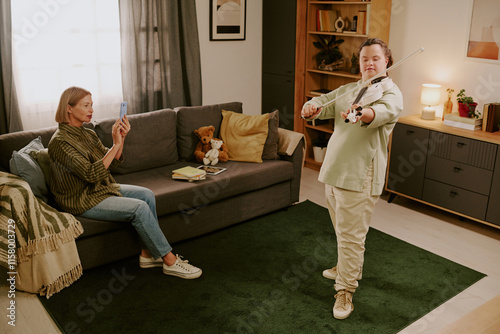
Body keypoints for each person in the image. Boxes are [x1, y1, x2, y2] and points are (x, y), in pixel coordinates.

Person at [48, 86, 202, 279]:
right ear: (68, 108)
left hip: (100, 189)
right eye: (86, 105)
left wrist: (119, 139)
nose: (91, 110)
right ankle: (169, 261)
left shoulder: (87, 134)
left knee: (146, 194)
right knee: (139, 208)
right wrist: (115, 145)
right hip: (81, 198)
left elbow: (110, 164)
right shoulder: (60, 142)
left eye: (92, 105)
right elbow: (91, 174)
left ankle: (147, 255)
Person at [301, 38, 403, 319]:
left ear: (387, 62)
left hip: (361, 175)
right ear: (359, 63)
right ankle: (347, 267)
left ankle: (345, 289)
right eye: (364, 59)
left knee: (351, 237)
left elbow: (379, 113)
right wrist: (311, 106)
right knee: (342, 231)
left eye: (376, 59)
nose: (370, 63)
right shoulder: (349, 89)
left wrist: (362, 112)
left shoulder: (391, 95)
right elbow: (323, 103)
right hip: (335, 170)